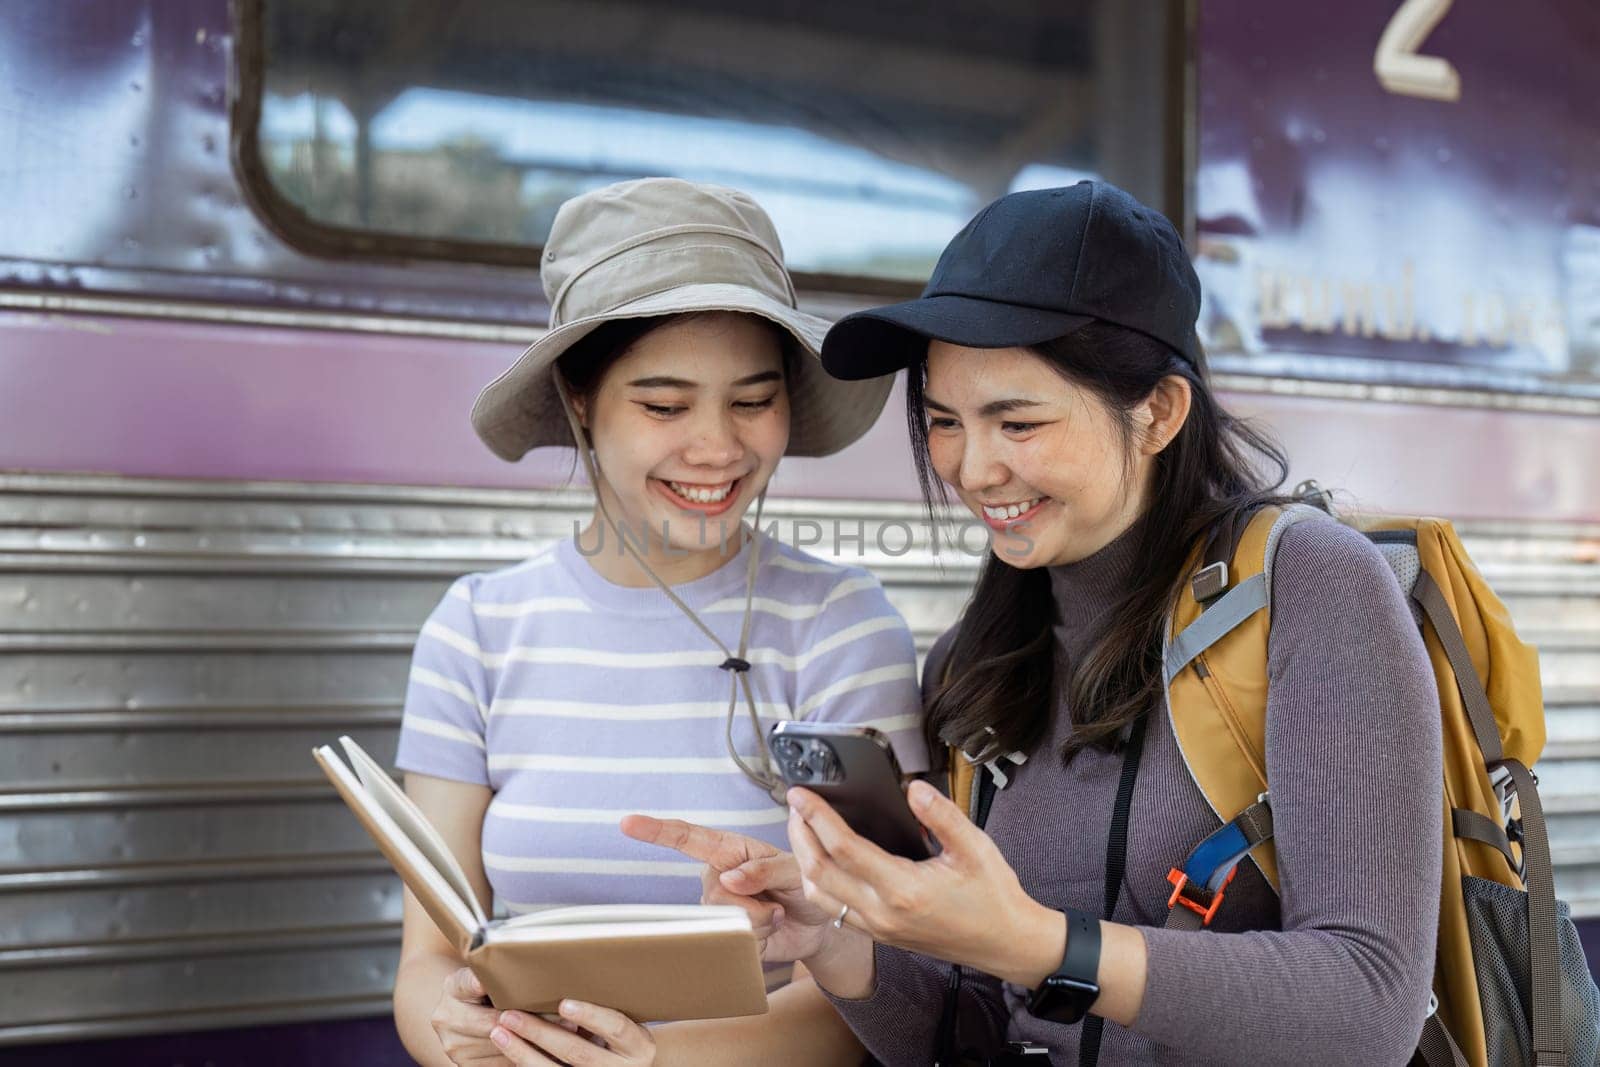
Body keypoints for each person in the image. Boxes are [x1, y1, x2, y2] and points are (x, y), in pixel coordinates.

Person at [631, 181, 1444, 1065]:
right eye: (943, 421)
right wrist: (833, 940)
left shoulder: (1309, 586)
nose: (974, 469)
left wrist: (1039, 943)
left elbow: (1371, 1006)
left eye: (1017, 421)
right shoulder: (971, 662)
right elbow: (976, 1025)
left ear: (1159, 412)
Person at [390, 177, 927, 1067]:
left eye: (753, 401)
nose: (717, 448)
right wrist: (459, 1038)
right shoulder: (477, 629)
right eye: (664, 405)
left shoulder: (841, 622)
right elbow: (428, 960)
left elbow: (874, 984)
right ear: (579, 399)